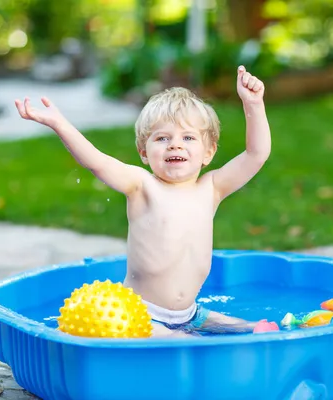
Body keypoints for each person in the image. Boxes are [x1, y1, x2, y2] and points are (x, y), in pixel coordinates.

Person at [15, 65, 274, 337]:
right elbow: (96, 162)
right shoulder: (142, 185)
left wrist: (253, 104)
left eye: (188, 137)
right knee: (185, 344)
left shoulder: (212, 188)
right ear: (144, 152)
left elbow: (256, 154)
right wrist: (60, 124)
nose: (175, 145)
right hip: (141, 314)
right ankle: (181, 338)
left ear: (208, 152)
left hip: (191, 313)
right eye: (162, 138)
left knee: (255, 330)